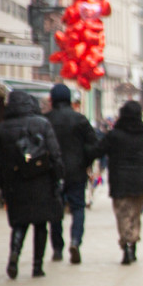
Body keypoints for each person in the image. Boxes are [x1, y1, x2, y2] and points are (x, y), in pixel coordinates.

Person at [0, 91, 63, 279]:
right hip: (42, 181)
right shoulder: (42, 123)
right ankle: (37, 266)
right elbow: (55, 154)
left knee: (19, 223)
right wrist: (58, 177)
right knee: (40, 224)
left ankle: (14, 254)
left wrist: (0, 186)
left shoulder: (3, 128)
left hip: (15, 184)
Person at [89, 101, 143, 265]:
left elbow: (97, 151)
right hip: (140, 182)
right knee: (135, 214)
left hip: (120, 181)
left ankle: (126, 245)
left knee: (122, 214)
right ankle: (133, 243)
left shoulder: (114, 135)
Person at [46, 83, 97, 264]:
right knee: (78, 208)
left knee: (55, 211)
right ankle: (75, 241)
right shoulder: (80, 119)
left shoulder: (46, 119)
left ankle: (57, 248)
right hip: (76, 171)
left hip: (53, 172)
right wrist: (86, 162)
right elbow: (94, 145)